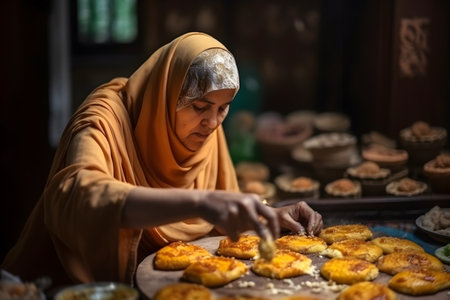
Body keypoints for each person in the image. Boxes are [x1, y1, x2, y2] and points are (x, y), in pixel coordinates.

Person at [1, 32, 322, 285]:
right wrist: (197, 202)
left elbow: (223, 207)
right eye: (200, 107)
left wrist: (268, 215)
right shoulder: (105, 117)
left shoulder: (207, 128)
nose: (212, 123)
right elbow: (78, 195)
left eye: (223, 108)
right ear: (167, 95)